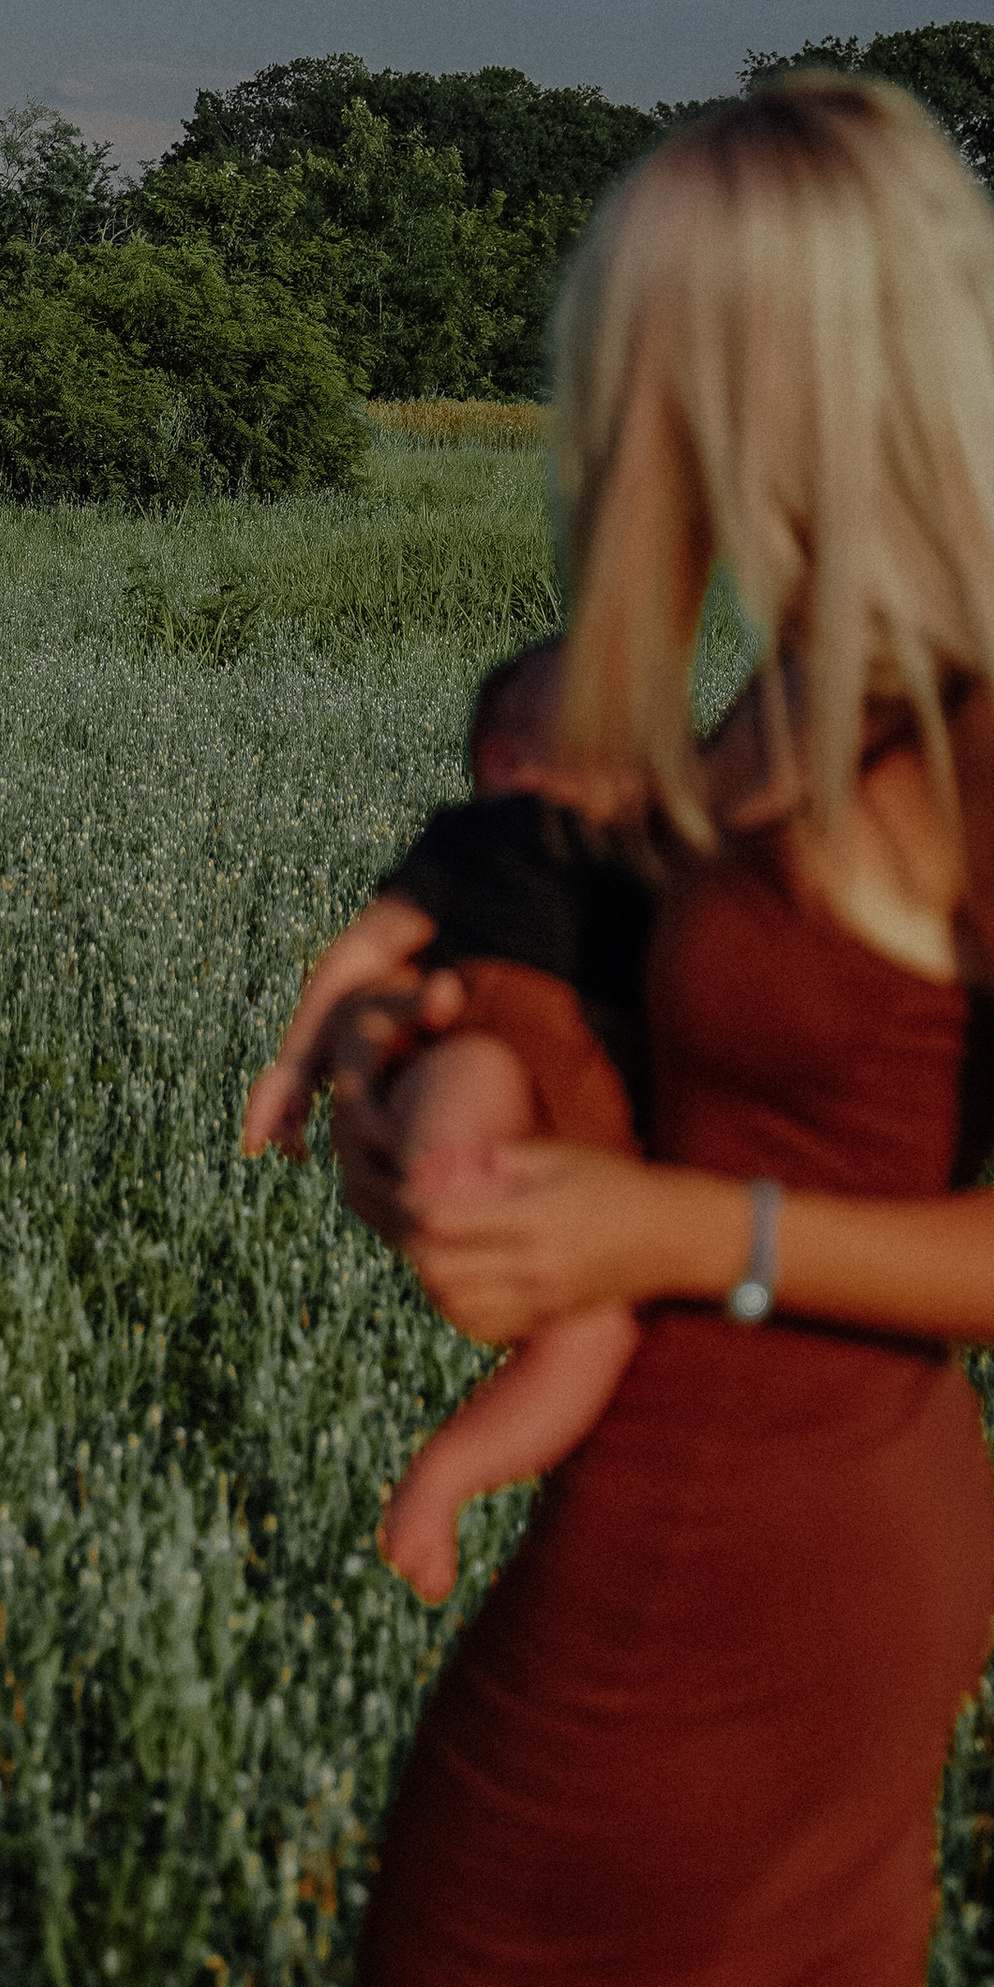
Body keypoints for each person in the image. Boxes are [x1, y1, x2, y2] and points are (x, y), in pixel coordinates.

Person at [257, 72, 994, 1987]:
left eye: (650, 346)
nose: (614, 402)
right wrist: (430, 1075)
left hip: (746, 1554)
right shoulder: (778, 697)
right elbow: (647, 1069)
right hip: (754, 1511)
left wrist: (676, 1234)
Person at [245, 641, 651, 1603]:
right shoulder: (482, 833)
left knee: (602, 1328)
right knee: (466, 1089)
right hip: (492, 1020)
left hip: (601, 1081)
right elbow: (365, 951)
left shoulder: (658, 845)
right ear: (510, 763)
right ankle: (450, 1192)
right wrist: (295, 1066)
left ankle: (449, 1475)